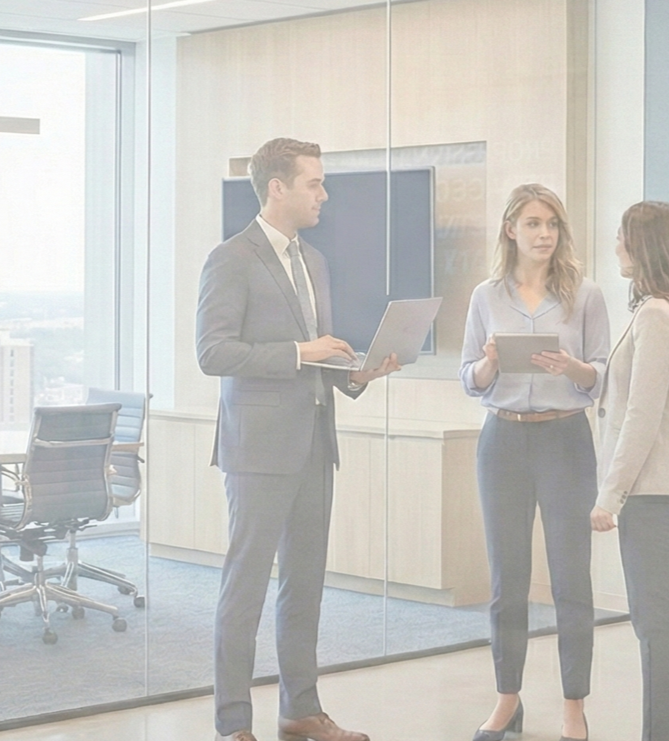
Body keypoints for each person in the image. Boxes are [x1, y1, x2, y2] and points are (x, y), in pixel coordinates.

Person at [197, 137, 401, 741]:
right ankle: (233, 726)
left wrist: (356, 372)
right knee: (246, 588)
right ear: (277, 188)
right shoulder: (231, 258)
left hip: (314, 441)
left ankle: (299, 712)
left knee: (305, 584)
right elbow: (213, 353)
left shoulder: (313, 260)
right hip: (257, 449)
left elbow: (320, 357)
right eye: (314, 183)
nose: (324, 194)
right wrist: (299, 351)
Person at [460, 184, 609, 741]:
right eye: (533, 224)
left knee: (571, 580)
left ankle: (574, 705)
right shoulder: (485, 295)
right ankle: (507, 700)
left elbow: (602, 375)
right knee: (507, 581)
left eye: (551, 224)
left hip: (565, 440)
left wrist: (573, 367)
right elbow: (468, 378)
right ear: (511, 230)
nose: (544, 234)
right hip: (502, 442)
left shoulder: (585, 295)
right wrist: (488, 365)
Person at [590, 201, 669, 741]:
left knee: (652, 619)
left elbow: (641, 416)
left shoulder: (658, 316)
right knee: (665, 613)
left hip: (652, 490)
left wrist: (610, 496)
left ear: (646, 248)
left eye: (623, 238)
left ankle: (662, 733)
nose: (616, 246)